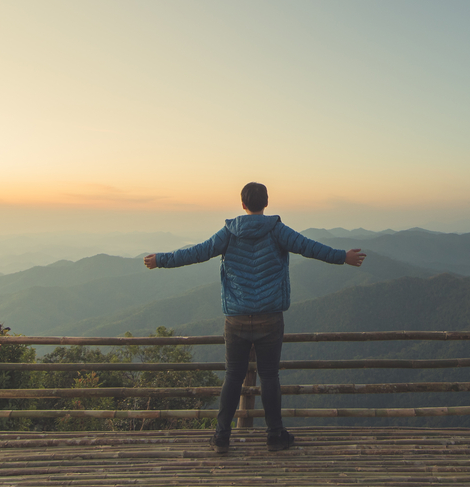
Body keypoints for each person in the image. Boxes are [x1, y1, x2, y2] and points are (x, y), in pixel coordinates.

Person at [144, 182, 366, 453]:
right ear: (266, 202)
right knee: (270, 376)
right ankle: (275, 435)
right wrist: (343, 256)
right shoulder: (277, 230)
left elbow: (197, 252)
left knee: (232, 377)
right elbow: (309, 247)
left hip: (236, 319)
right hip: (270, 318)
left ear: (242, 204)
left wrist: (162, 260)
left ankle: (221, 437)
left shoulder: (228, 233)